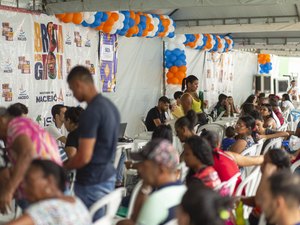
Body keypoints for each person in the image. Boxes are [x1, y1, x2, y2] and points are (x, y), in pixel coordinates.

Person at [65, 65, 120, 221]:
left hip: (91, 181)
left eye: (72, 89)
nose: (74, 94)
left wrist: (63, 167)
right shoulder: (110, 106)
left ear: (78, 84)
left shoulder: (91, 112)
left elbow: (84, 156)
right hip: (107, 175)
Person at [0, 105, 61, 213]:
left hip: (42, 190)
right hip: (51, 185)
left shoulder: (14, 126)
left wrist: (9, 189)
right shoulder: (24, 124)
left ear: (1, 120)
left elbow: (27, 153)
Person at [6, 159, 91, 225]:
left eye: (29, 181)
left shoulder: (46, 208)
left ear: (49, 181)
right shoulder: (75, 201)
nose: (23, 186)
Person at [130, 139, 186, 225]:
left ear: (161, 168)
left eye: (144, 165)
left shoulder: (156, 201)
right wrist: (145, 187)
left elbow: (134, 220)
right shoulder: (184, 190)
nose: (140, 169)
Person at [241, 149, 291, 225]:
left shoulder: (281, 184)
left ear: (275, 167)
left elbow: (259, 201)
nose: (261, 164)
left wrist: (267, 172)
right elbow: (256, 201)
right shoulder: (273, 178)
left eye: (265, 162)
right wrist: (239, 199)